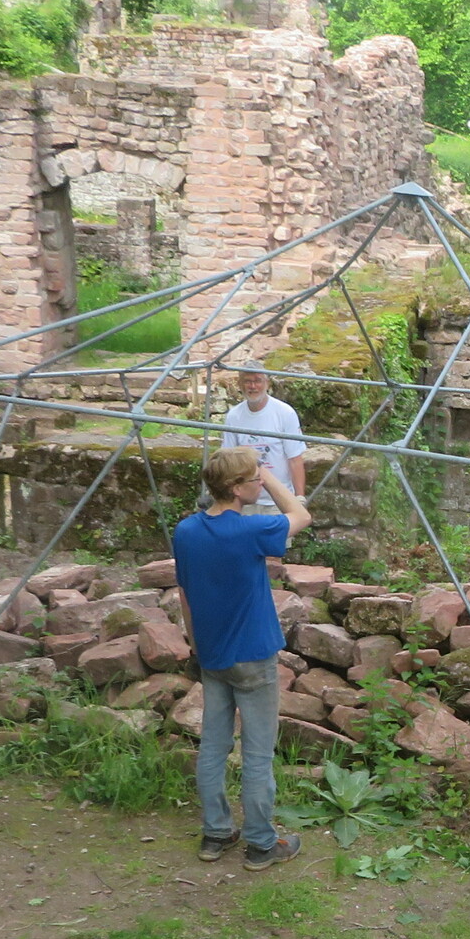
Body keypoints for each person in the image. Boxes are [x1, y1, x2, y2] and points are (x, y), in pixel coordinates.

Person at [173, 446, 313, 869]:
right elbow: (301, 515)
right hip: (253, 654)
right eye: (253, 479)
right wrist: (271, 477)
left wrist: (197, 646)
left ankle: (216, 834)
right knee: (257, 754)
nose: (259, 484)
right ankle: (261, 844)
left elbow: (185, 594)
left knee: (213, 746)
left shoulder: (187, 531)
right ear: (236, 488)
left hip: (212, 653)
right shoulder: (251, 529)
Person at [219, 370, 308, 502]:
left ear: (267, 383)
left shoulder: (285, 413)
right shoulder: (234, 416)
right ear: (240, 384)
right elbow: (227, 459)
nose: (253, 386)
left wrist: (299, 499)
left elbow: (295, 459)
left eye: (258, 381)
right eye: (247, 381)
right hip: (245, 500)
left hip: (279, 499)